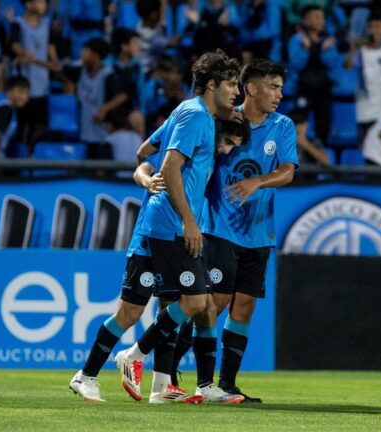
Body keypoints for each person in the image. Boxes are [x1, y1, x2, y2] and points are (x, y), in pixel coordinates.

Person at [69, 117, 248, 404]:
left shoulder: (205, 149)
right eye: (227, 143)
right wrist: (145, 179)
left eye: (232, 146)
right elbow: (143, 159)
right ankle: (87, 375)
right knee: (129, 314)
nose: (227, 150)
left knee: (175, 308)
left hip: (176, 234)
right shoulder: (187, 127)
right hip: (151, 236)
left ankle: (162, 386)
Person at [113, 51, 244, 404]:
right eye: (231, 84)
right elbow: (169, 167)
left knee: (199, 305)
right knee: (195, 301)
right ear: (212, 85)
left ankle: (169, 385)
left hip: (184, 223)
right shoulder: (193, 115)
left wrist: (144, 175)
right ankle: (134, 356)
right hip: (174, 225)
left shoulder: (188, 113)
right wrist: (188, 220)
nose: (237, 91)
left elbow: (145, 150)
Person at [195, 59, 299, 403]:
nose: (279, 95)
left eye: (281, 88)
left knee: (244, 308)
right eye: (273, 87)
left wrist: (259, 180)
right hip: (220, 228)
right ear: (251, 89)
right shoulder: (223, 118)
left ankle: (226, 385)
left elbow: (288, 172)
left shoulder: (283, 126)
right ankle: (197, 380)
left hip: (259, 234)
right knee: (217, 302)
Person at [10, 0, 60, 151]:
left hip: (41, 84)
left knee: (37, 126)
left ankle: (34, 155)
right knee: (21, 125)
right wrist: (22, 53)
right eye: (40, 2)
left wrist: (55, 63)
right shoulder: (18, 23)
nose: (43, 6)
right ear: (28, 4)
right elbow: (13, 44)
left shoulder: (46, 25)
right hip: (24, 84)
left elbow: (50, 47)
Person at [287, 5, 340, 142]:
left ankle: (319, 151)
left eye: (322, 18)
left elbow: (332, 64)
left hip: (323, 89)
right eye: (317, 17)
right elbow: (296, 64)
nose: (321, 21)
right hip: (303, 88)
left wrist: (322, 50)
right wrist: (308, 48)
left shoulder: (328, 41)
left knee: (323, 125)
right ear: (306, 21)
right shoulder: (296, 40)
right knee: (299, 121)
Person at [63, 38, 116, 159]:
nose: (82, 53)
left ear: (95, 55)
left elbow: (122, 95)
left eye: (85, 51)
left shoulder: (109, 75)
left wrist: (104, 109)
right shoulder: (79, 71)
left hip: (101, 130)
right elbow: (59, 70)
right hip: (83, 127)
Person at [355, 13, 381, 141]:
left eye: (378, 26)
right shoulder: (360, 49)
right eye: (371, 27)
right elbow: (349, 65)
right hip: (365, 106)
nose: (375, 30)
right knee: (364, 144)